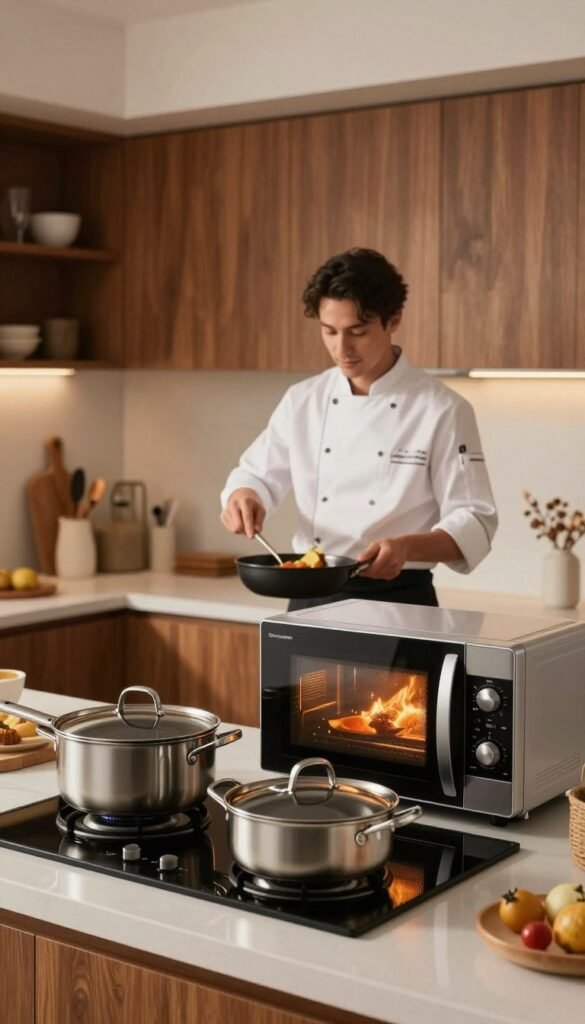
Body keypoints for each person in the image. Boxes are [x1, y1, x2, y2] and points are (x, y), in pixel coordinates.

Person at [220, 248, 497, 611]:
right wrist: (245, 496)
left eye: (358, 332)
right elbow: (256, 474)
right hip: (310, 599)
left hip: (400, 602)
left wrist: (407, 547)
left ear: (393, 319)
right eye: (329, 331)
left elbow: (475, 520)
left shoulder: (442, 409)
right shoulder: (304, 399)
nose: (342, 348)